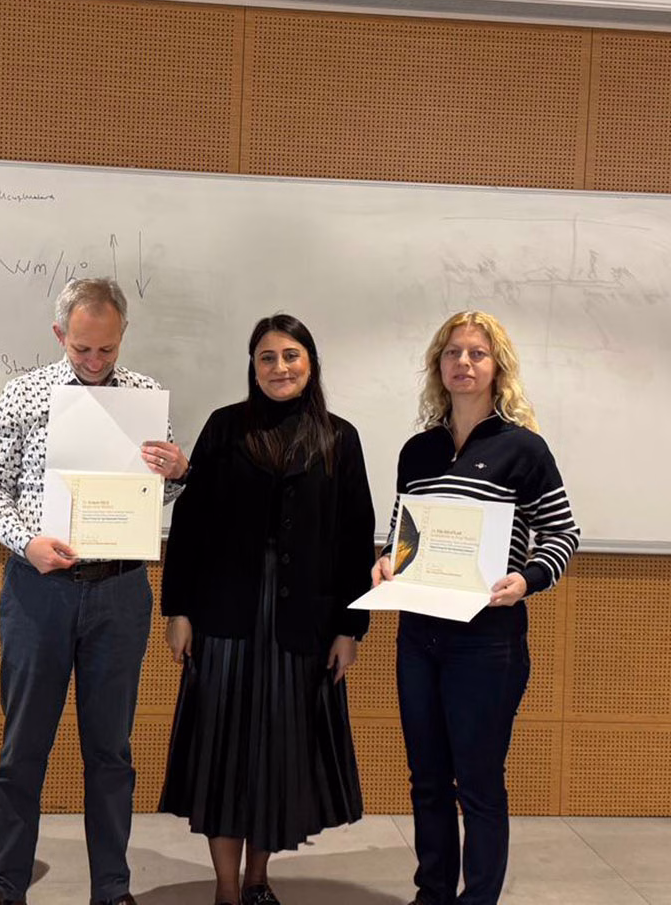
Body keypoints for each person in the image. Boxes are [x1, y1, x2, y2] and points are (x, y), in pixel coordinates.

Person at [0, 278, 189, 905]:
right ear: (60, 334)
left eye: (108, 349)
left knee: (110, 750)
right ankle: (7, 884)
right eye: (82, 349)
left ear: (123, 336)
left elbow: (156, 496)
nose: (95, 361)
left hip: (119, 590)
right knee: (24, 746)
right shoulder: (24, 394)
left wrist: (179, 473)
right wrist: (27, 542)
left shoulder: (145, 396)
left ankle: (112, 889)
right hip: (39, 589)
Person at [159, 313, 376, 905]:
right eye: (267, 357)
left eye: (291, 355)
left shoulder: (340, 438)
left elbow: (356, 538)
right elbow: (191, 525)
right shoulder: (225, 428)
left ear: (311, 363)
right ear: (253, 367)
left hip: (303, 624)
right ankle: (227, 889)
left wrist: (350, 628)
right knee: (224, 754)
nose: (280, 367)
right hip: (225, 617)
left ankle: (258, 879)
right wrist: (179, 611)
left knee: (277, 758)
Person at [371, 310, 580, 905]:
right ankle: (432, 893)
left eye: (477, 354)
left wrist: (527, 579)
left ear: (497, 368)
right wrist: (386, 562)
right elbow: (401, 536)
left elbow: (563, 533)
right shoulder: (418, 451)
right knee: (427, 780)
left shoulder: (523, 448)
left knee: (480, 783)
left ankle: (478, 898)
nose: (463, 362)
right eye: (452, 352)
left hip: (487, 642)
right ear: (438, 366)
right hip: (419, 637)